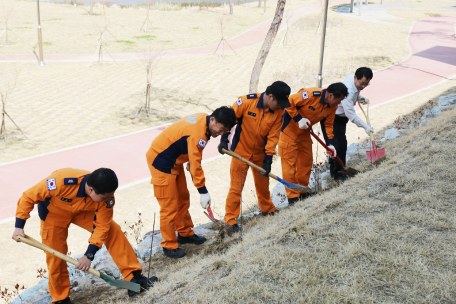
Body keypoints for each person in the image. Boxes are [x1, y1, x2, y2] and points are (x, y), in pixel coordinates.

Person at [12, 168, 156, 304]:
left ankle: (133, 278)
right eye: (105, 196)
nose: (109, 199)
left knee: (113, 230)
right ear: (91, 189)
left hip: (83, 211)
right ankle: (61, 299)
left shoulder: (105, 195)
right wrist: (19, 226)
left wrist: (89, 255)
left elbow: (102, 226)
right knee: (55, 255)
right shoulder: (61, 181)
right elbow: (28, 197)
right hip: (54, 214)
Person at [146, 106, 236, 259]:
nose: (219, 134)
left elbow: (191, 151)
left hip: (174, 160)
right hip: (161, 161)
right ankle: (169, 245)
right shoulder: (198, 135)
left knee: (183, 198)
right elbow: (196, 164)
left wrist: (189, 158)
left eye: (223, 132)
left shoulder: (205, 120)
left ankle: (185, 233)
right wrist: (203, 191)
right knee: (169, 206)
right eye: (220, 130)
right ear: (213, 119)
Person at [218, 81, 291, 232]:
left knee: (263, 185)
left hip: (260, 154)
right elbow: (229, 121)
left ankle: (268, 209)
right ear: (270, 97)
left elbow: (273, 137)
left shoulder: (279, 112)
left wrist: (268, 159)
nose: (281, 106)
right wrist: (224, 140)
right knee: (236, 187)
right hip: (240, 153)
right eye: (279, 102)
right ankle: (230, 220)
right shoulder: (245, 102)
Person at [279, 82, 348, 205]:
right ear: (330, 95)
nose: (339, 104)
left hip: (304, 133)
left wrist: (330, 144)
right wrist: (298, 119)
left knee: (306, 162)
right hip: (288, 132)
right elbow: (288, 102)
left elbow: (327, 125)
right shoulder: (310, 95)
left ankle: (302, 191)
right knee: (289, 165)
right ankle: (293, 197)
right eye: (338, 100)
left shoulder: (332, 107)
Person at [330, 67, 374, 181]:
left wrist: (359, 97)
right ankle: (338, 173)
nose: (363, 87)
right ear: (355, 78)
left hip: (341, 117)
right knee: (340, 144)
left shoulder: (354, 80)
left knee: (336, 143)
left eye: (366, 84)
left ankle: (332, 167)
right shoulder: (348, 90)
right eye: (362, 83)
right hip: (335, 117)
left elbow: (356, 92)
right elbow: (351, 115)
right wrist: (366, 127)